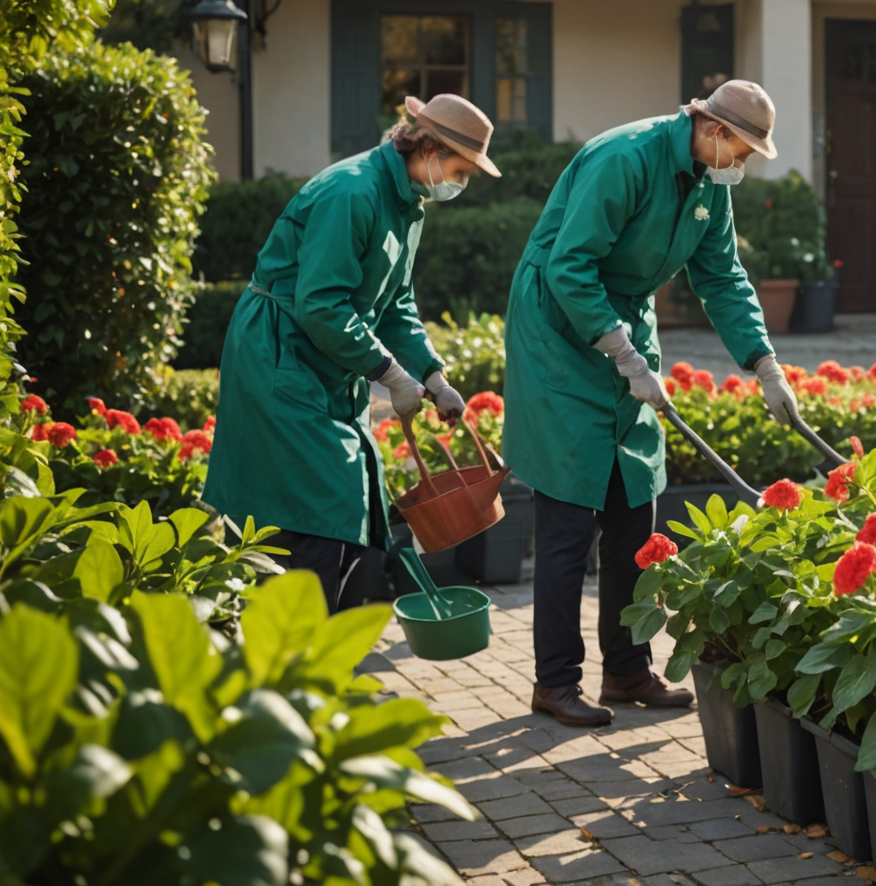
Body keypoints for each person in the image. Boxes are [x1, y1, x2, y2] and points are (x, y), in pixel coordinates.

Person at [505, 79, 802, 726]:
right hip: (559, 329)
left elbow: (722, 276)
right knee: (566, 518)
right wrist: (624, 355)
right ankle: (554, 682)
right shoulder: (624, 159)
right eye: (744, 150)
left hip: (622, 326)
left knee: (632, 507)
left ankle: (627, 670)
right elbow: (569, 267)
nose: (745, 164)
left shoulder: (707, 181)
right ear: (715, 130)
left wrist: (765, 364)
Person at [206, 94, 492, 611]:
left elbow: (396, 302)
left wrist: (431, 374)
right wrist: (390, 373)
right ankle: (295, 664)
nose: (460, 182)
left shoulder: (409, 205)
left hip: (327, 358)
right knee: (314, 511)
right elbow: (320, 305)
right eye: (459, 168)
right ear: (427, 147)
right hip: (280, 353)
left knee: (336, 509)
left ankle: (309, 659)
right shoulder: (352, 190)